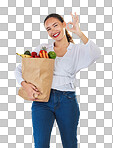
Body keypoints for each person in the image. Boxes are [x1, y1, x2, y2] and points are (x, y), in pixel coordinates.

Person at [14, 12, 101, 148]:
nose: (53, 31)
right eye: (48, 29)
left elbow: (96, 53)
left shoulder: (77, 50)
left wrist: (79, 32)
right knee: (41, 145)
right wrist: (25, 85)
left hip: (67, 100)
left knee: (70, 144)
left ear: (64, 25)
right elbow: (20, 69)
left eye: (55, 25)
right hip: (42, 101)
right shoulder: (43, 48)